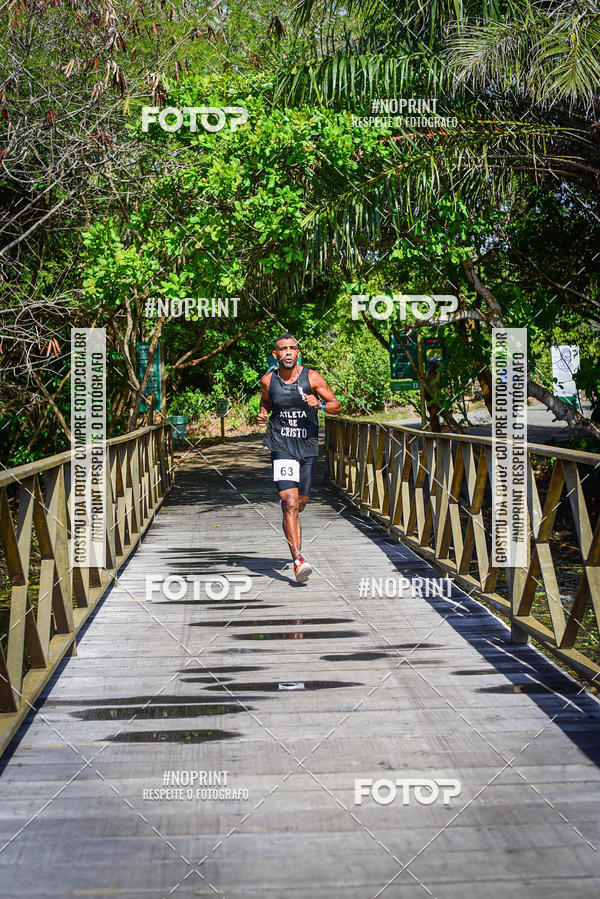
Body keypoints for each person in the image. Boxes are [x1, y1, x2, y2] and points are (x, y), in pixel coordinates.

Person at [258, 334, 341, 582]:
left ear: (298, 352)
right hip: (281, 444)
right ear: (275, 354)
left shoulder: (312, 378)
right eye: (282, 349)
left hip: (307, 446)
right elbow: (266, 401)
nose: (288, 352)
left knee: (301, 502)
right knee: (291, 502)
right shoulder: (268, 380)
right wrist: (263, 413)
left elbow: (336, 404)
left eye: (292, 348)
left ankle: (290, 509)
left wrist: (321, 405)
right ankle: (298, 560)